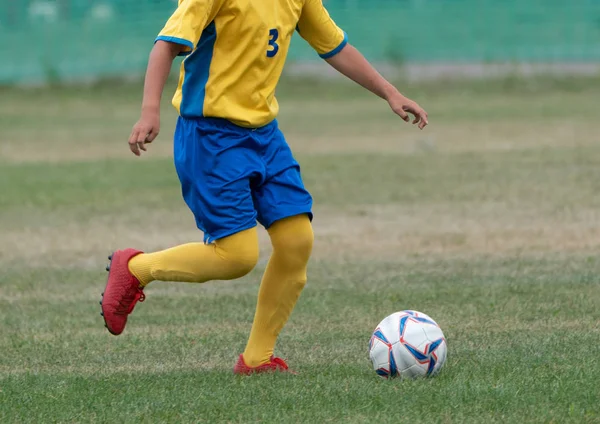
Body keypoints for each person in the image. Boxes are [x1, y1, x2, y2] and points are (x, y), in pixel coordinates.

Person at [100, 0, 428, 375]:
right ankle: (137, 267)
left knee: (296, 241)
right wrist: (149, 111)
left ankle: (256, 358)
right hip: (211, 137)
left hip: (264, 136)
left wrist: (390, 92)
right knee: (237, 257)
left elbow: (334, 46)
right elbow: (165, 46)